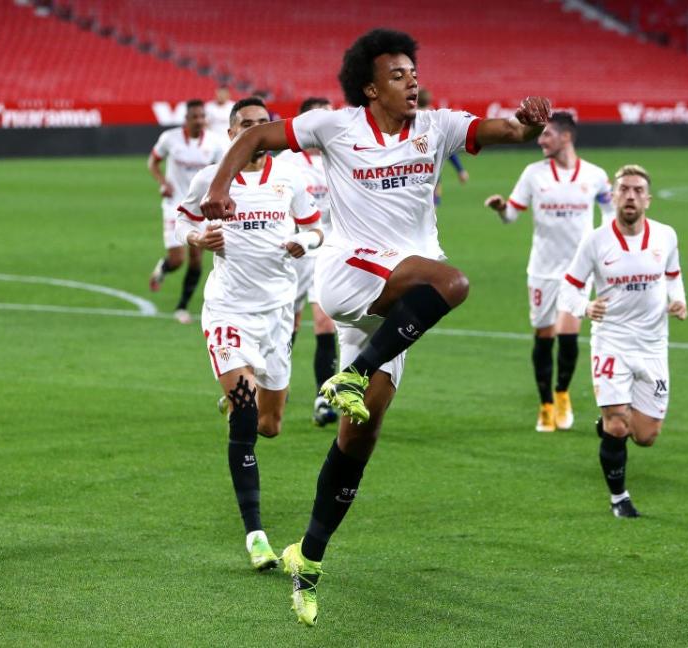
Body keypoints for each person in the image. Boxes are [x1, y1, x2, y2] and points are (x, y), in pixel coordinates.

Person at [199, 28, 551, 626]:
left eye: (413, 72)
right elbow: (259, 134)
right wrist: (217, 189)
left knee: (359, 438)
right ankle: (352, 375)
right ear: (369, 87)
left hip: (395, 303)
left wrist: (530, 124)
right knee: (454, 283)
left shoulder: (437, 127)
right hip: (351, 272)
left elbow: (506, 131)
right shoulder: (335, 127)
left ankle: (307, 559)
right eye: (397, 74)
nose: (412, 81)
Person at [175, 97, 323, 570]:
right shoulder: (211, 178)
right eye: (247, 126)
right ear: (232, 133)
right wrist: (198, 238)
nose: (256, 133)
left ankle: (238, 396)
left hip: (278, 313)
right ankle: (256, 536)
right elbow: (184, 219)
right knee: (245, 419)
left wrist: (306, 241)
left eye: (264, 125)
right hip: (228, 312)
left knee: (270, 425)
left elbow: (319, 229)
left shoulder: (291, 177)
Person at [559, 164, 687, 518]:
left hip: (652, 345)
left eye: (637, 190)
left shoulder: (666, 236)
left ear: (648, 198)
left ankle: (608, 422)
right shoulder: (595, 240)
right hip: (611, 342)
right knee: (619, 424)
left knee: (645, 435)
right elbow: (567, 287)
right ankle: (619, 499)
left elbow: (674, 275)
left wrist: (680, 301)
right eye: (624, 190)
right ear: (613, 196)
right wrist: (585, 307)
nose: (630, 196)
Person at [484, 112, 614, 432]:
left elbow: (610, 214)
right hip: (542, 270)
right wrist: (501, 208)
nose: (540, 140)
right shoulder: (533, 174)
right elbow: (512, 216)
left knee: (568, 335)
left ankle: (562, 395)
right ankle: (545, 406)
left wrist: (606, 250)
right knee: (544, 336)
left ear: (566, 137)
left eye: (546, 135)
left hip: (578, 272)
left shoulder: (596, 176)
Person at [275, 96, 340, 427]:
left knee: (325, 323)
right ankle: (276, 383)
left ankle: (323, 399)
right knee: (289, 324)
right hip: (294, 251)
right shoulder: (285, 163)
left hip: (328, 251)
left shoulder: (342, 156)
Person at [147, 99, 226, 323]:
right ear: (186, 119)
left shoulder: (215, 142)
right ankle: (164, 267)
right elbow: (152, 162)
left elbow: (221, 173)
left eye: (202, 116)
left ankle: (181, 306)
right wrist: (163, 182)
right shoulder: (169, 139)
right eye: (195, 117)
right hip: (173, 205)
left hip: (200, 207)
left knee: (196, 259)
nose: (200, 120)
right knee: (177, 259)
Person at [416, 87, 469, 205]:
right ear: (429, 100)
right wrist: (460, 170)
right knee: (430, 212)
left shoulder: (408, 120)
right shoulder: (436, 121)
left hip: (409, 174)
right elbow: (445, 146)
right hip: (432, 175)